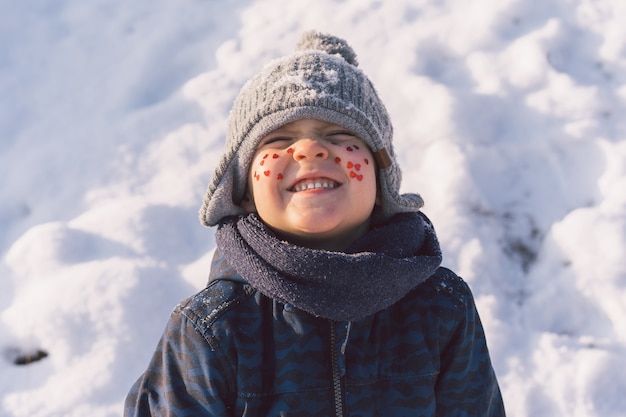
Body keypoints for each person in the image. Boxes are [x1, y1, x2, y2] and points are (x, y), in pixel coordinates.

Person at [124, 31, 506, 416]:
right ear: (242, 191)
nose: (309, 149)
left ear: (381, 183)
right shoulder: (212, 328)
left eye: (339, 134)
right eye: (279, 138)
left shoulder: (441, 307)